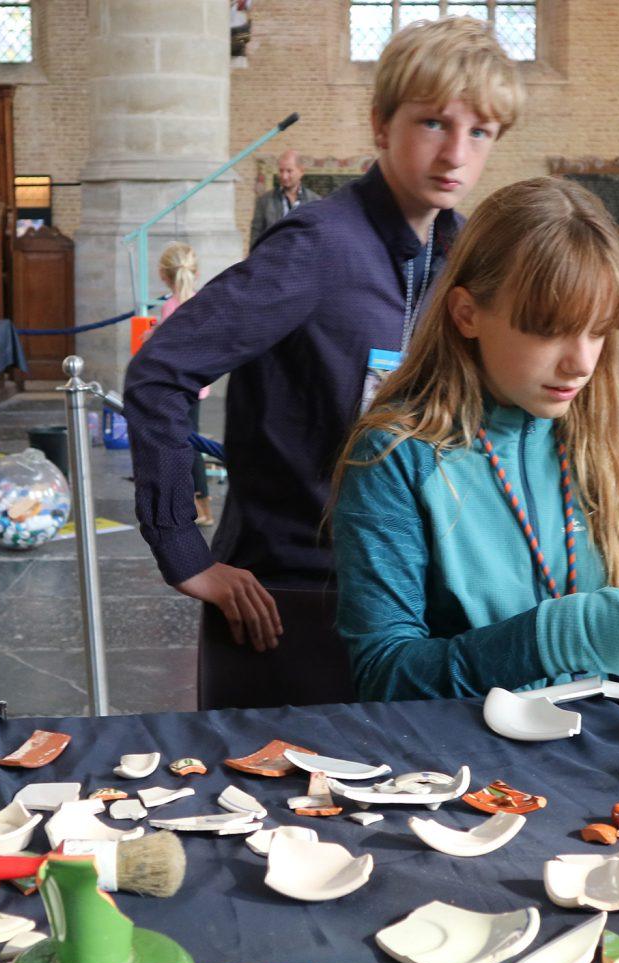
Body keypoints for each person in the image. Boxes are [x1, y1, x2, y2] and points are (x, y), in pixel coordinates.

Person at [124, 17, 524, 708]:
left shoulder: (460, 260)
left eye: (480, 131)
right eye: (433, 123)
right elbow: (162, 369)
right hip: (289, 598)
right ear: (381, 125)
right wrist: (182, 550)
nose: (455, 152)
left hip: (407, 598)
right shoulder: (316, 246)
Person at [331, 178, 619, 702]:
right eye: (549, 330)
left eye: (598, 331)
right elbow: (384, 678)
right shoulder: (396, 453)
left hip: (590, 770)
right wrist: (553, 637)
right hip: (460, 770)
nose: (580, 363)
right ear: (467, 315)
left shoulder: (598, 444)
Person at [153, 242, 214, 527]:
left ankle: (198, 508)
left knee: (184, 445)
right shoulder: (203, 302)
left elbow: (169, 350)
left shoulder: (170, 307)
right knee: (194, 443)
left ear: (163, 275)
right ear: (196, 272)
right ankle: (203, 507)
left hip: (178, 388)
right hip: (198, 385)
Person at [248, 149, 319, 247]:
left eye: (289, 171)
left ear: (301, 171)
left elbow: (318, 236)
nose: (284, 176)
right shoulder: (264, 201)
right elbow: (255, 235)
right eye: (281, 171)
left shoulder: (315, 201)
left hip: (303, 259)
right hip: (272, 259)